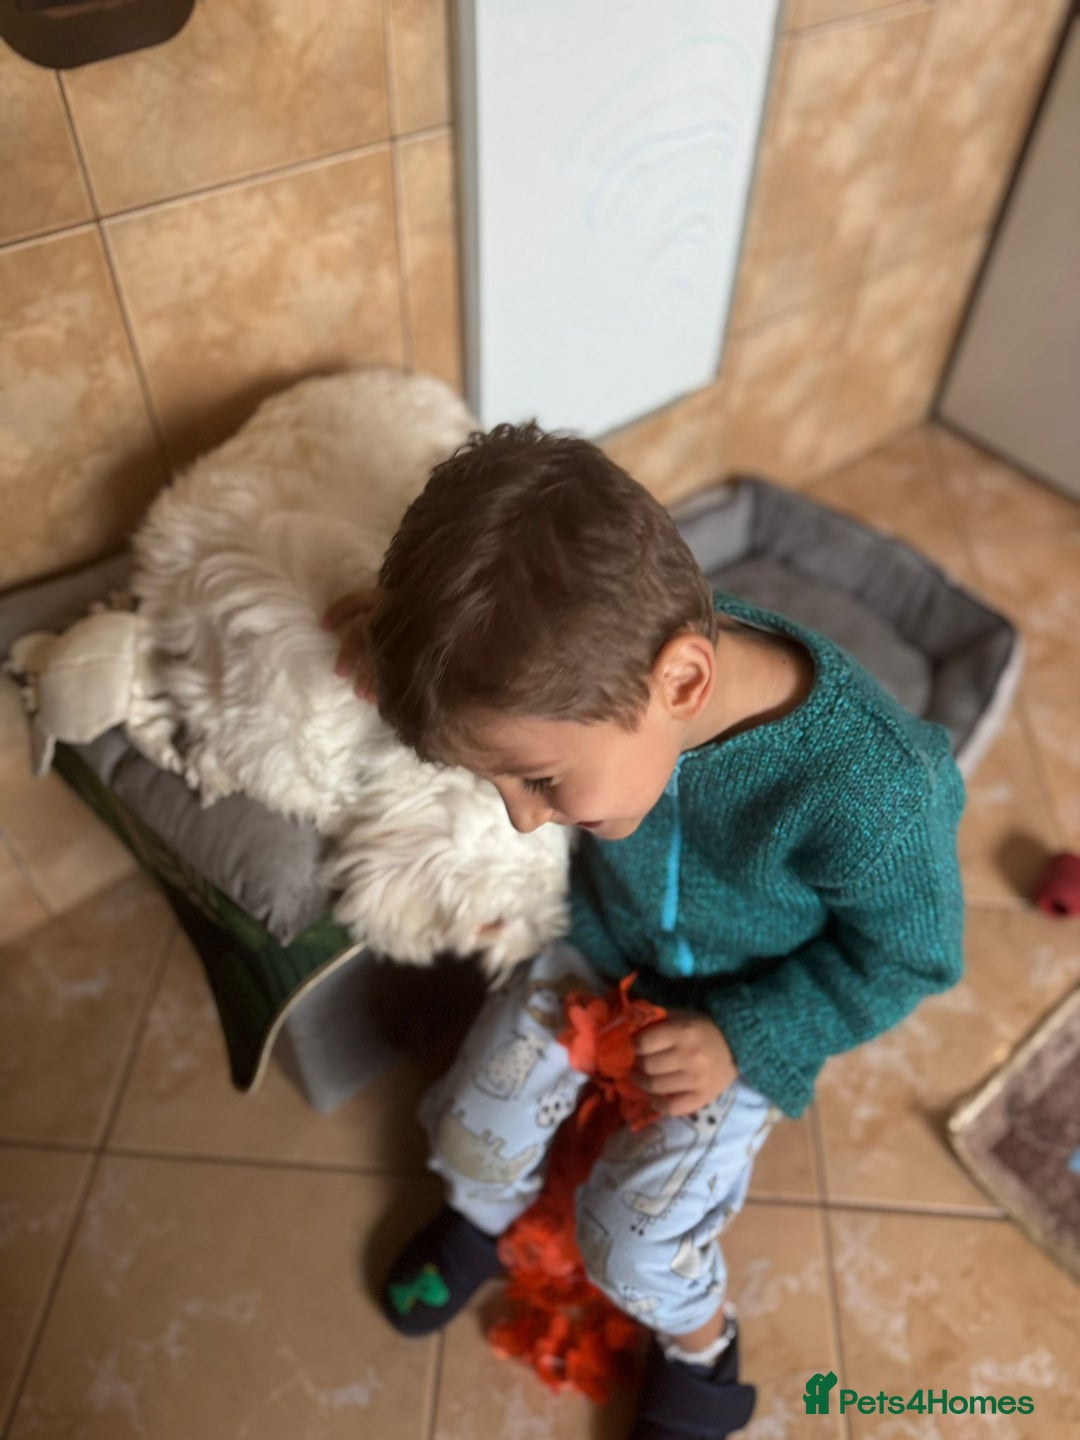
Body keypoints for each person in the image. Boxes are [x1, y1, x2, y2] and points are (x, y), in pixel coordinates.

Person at [324, 422, 966, 1440]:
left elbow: (913, 958)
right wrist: (396, 652)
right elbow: (459, 650)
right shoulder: (595, 675)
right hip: (601, 950)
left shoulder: (879, 793)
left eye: (538, 780)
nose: (519, 816)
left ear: (683, 683)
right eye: (500, 780)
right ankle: (485, 1219)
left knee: (633, 1239)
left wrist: (746, 1038)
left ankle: (704, 1352)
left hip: (742, 1010)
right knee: (469, 1122)